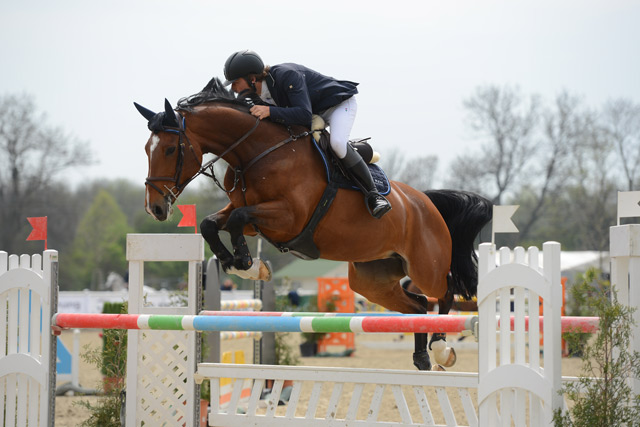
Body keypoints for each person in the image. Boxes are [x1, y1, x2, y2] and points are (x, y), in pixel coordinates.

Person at [222, 50, 391, 219]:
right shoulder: (258, 95)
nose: (233, 88)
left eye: (235, 82)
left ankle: (374, 195)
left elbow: (303, 114)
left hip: (337, 106)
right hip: (314, 112)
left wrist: (269, 111)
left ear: (252, 79)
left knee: (337, 144)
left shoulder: (286, 76)